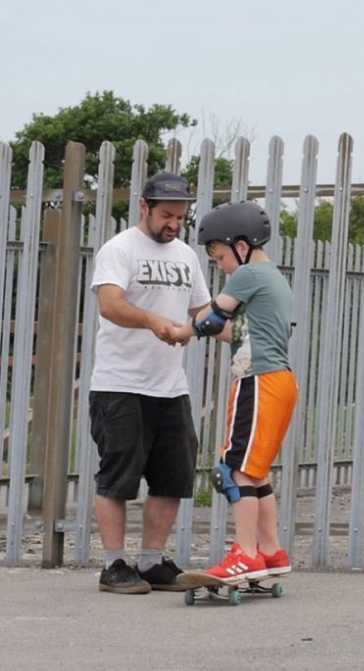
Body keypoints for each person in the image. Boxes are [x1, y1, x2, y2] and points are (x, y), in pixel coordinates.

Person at [90, 172, 209, 594]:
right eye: (166, 215)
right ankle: (114, 564)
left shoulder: (186, 256)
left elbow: (202, 310)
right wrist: (153, 321)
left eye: (180, 216)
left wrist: (207, 328)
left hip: (170, 385)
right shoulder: (119, 250)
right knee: (118, 476)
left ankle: (153, 561)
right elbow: (110, 305)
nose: (174, 224)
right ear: (144, 207)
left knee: (173, 476)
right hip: (120, 383)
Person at [169, 201, 298, 583]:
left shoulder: (248, 275)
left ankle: (244, 554)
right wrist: (195, 331)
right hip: (278, 382)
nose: (220, 265)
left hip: (258, 382)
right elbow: (236, 332)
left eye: (221, 256)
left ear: (242, 246)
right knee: (256, 474)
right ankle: (271, 552)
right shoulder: (273, 277)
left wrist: (180, 331)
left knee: (233, 471)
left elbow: (211, 319)